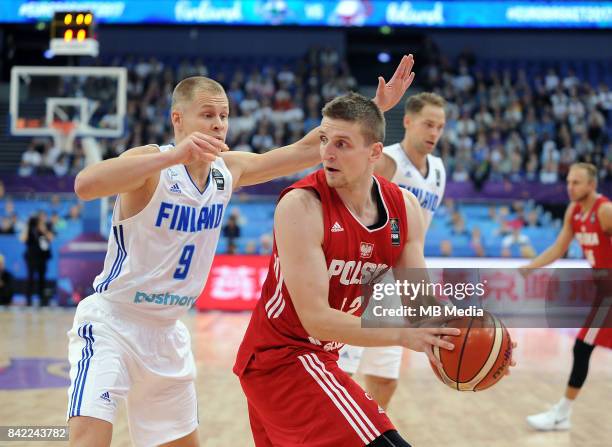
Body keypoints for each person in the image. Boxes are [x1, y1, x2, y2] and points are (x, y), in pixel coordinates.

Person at [67, 56, 416, 447]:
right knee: (90, 436)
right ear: (177, 119)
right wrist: (173, 155)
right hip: (114, 321)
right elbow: (86, 184)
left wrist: (374, 109)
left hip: (167, 332)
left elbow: (305, 150)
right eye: (207, 115)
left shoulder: (226, 171)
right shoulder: (150, 163)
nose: (218, 123)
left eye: (224, 115)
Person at [233, 93, 462, 447]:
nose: (327, 153)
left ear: (375, 153)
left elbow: (421, 307)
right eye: (324, 140)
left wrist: (477, 337)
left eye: (342, 144)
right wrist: (405, 335)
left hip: (321, 357)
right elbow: (317, 320)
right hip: (281, 359)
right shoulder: (301, 206)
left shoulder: (405, 208)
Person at [338, 92, 447, 409]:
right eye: (428, 124)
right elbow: (351, 207)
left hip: (399, 282)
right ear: (409, 122)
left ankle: (369, 434)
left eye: (440, 126)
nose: (434, 133)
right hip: (365, 277)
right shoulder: (385, 160)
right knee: (342, 370)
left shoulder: (438, 170)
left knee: (385, 376)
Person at [524, 163, 612, 431]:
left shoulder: (605, 211)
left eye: (576, 182)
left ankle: (562, 413)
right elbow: (559, 247)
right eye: (569, 181)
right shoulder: (574, 212)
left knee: (582, 346)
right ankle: (562, 413)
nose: (570, 187)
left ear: (592, 185)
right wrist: (528, 268)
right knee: (582, 347)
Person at [20, 214, 53, 306]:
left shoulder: (46, 228)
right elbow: (23, 239)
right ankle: (28, 300)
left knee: (42, 279)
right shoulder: (30, 229)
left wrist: (44, 230)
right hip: (31, 257)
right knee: (30, 278)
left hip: (42, 258)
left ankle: (42, 300)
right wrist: (27, 226)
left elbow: (51, 238)